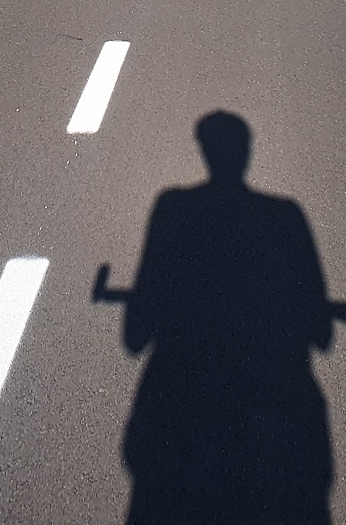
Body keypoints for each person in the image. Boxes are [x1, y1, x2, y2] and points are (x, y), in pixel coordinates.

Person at [121, 112, 333, 525]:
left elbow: (135, 336)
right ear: (248, 154)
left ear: (203, 152)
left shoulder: (172, 208)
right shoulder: (287, 215)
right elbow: (322, 334)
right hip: (273, 405)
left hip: (179, 400)